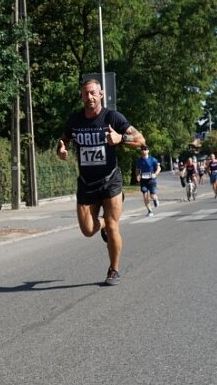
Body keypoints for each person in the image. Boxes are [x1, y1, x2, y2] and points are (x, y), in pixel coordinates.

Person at [57, 79, 145, 286]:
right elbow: (64, 141)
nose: (89, 97)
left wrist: (120, 139)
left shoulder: (112, 117)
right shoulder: (75, 120)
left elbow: (141, 139)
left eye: (93, 93)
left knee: (114, 225)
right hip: (87, 182)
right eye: (86, 94)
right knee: (88, 230)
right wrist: (61, 149)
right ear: (81, 96)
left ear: (101, 94)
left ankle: (113, 270)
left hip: (110, 180)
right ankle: (103, 222)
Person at [135, 145, 161, 217]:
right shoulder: (139, 161)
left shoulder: (153, 160)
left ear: (148, 151)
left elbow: (159, 168)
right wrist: (137, 176)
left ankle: (155, 200)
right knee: (145, 196)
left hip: (151, 180)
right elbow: (137, 170)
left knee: (152, 195)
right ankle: (150, 211)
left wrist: (155, 174)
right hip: (143, 180)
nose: (143, 151)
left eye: (145, 149)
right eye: (142, 149)